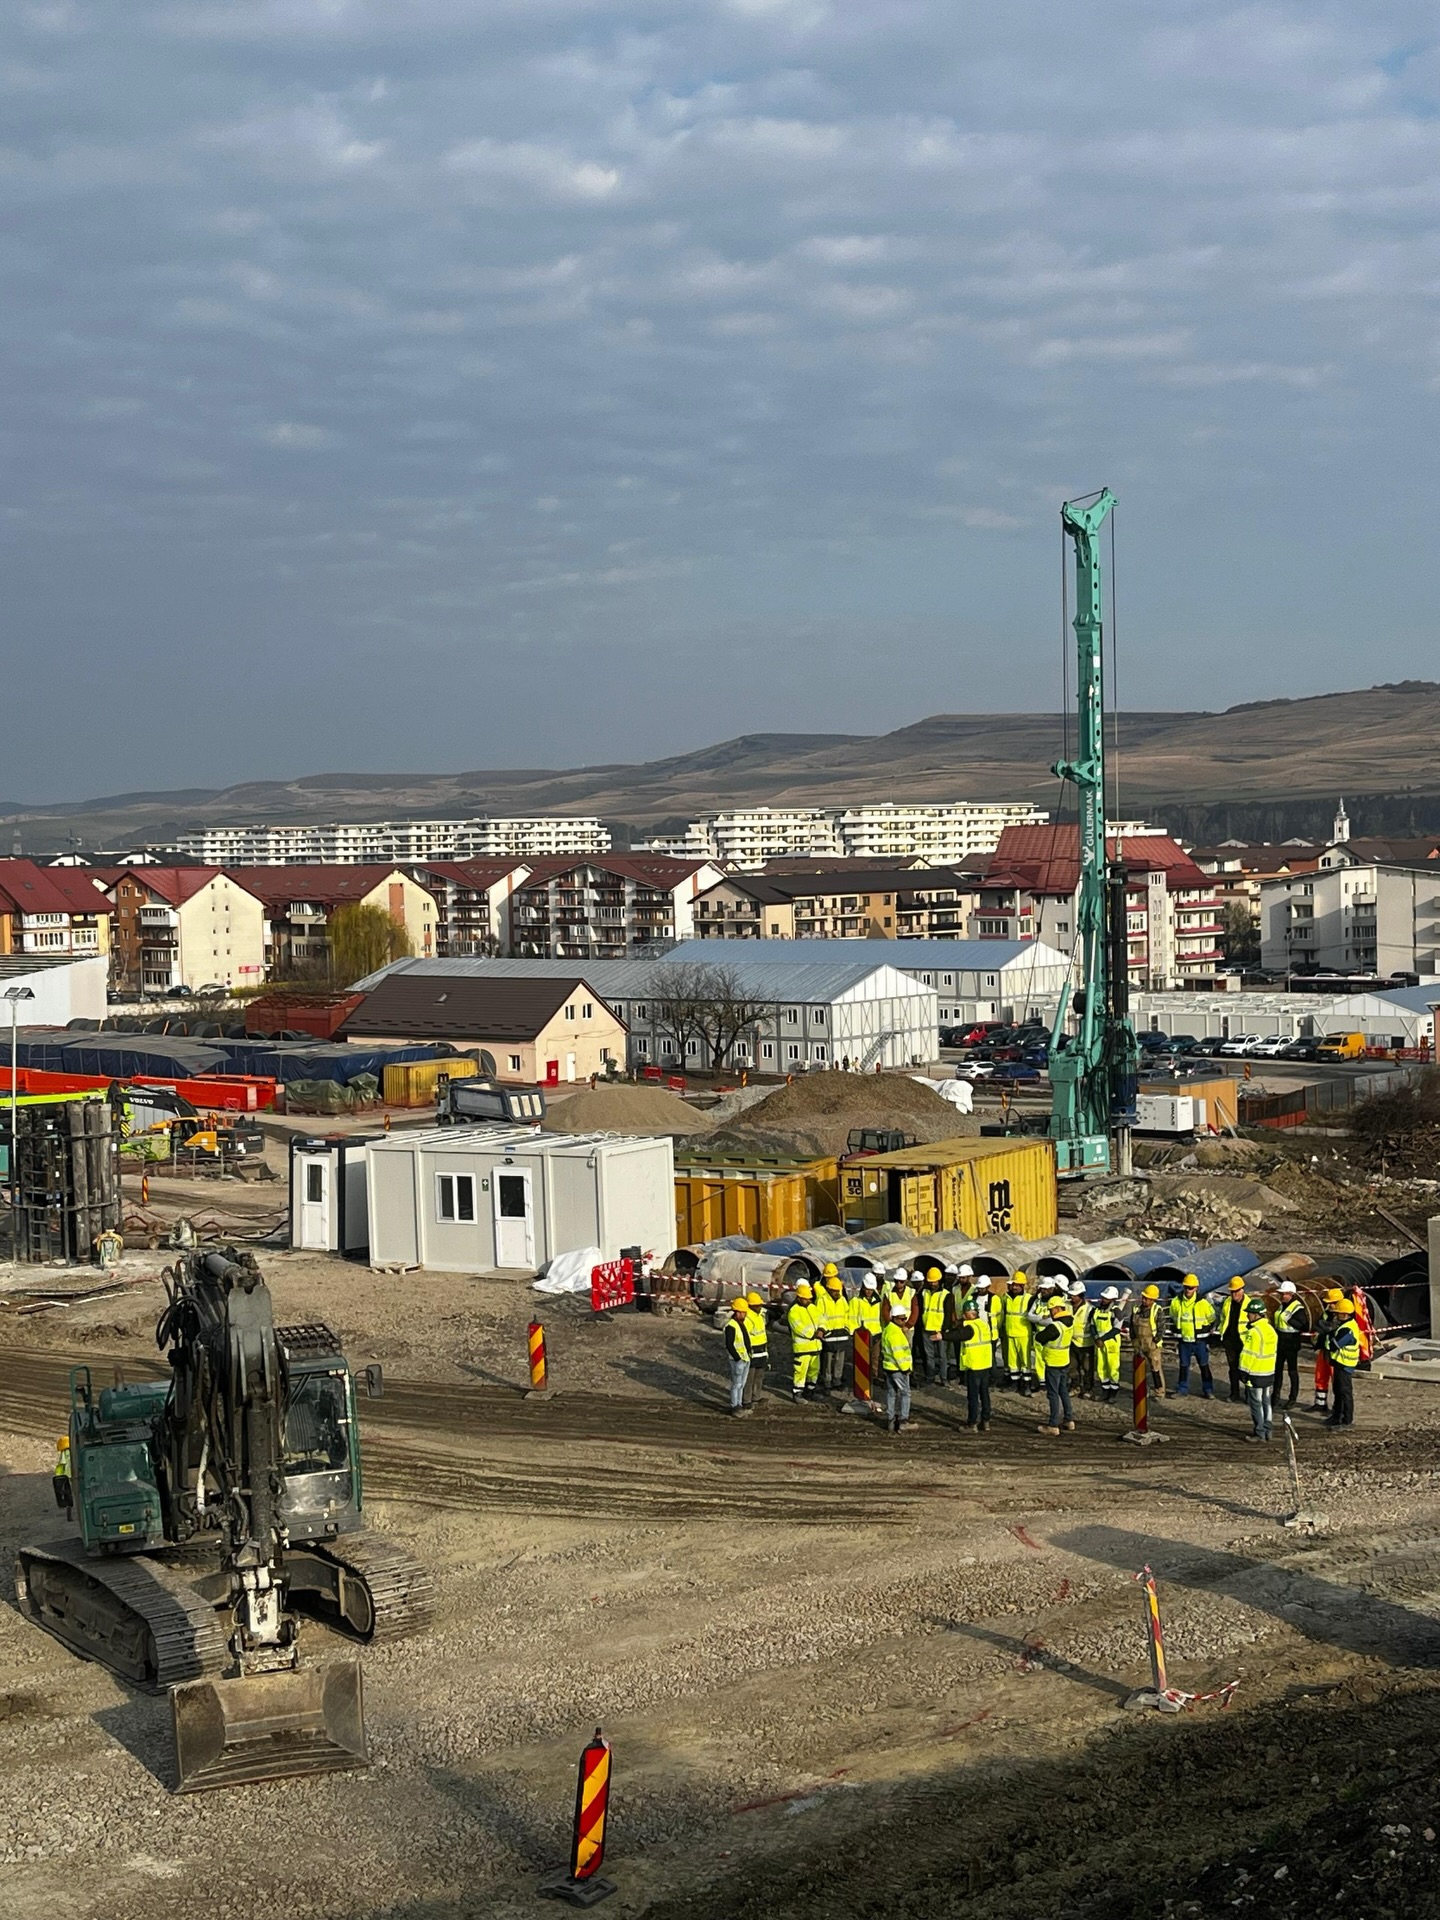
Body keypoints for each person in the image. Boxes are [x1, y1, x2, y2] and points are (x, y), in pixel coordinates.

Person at [1168, 1273, 1216, 1398]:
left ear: (1196, 1288)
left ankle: (1208, 1390)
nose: (1188, 1290)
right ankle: (1182, 1389)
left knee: (1204, 1366)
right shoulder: (1176, 1302)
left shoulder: (1203, 1303)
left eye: (1191, 1288)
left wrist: (1208, 1330)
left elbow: (1212, 1319)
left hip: (1200, 1341)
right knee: (1184, 1366)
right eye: (1186, 1287)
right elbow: (1173, 1317)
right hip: (1184, 1341)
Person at [1033, 1296, 1075, 1436]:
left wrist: (1039, 1334)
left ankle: (1053, 1425)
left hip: (1053, 1363)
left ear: (1057, 1309)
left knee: (1053, 1394)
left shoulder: (1055, 1326)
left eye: (1051, 1310)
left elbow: (1040, 1338)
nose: (1050, 1312)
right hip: (1064, 1361)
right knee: (1063, 1390)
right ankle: (1069, 1420)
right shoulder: (1070, 1322)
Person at [1239, 1294, 1278, 1442]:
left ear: (1255, 1314)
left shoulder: (1253, 1332)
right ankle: (1268, 1430)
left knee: (1255, 1404)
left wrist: (1243, 1372)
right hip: (1268, 1372)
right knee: (1266, 1402)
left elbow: (1248, 1354)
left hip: (1255, 1373)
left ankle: (1259, 1432)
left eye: (1249, 1313)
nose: (1247, 1315)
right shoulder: (1270, 1330)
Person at [1321, 1296, 1362, 1428]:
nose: (1336, 1315)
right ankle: (1336, 1416)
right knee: (1338, 1392)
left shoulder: (1347, 1329)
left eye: (1338, 1313)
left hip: (1344, 1365)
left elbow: (1333, 1345)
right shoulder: (1345, 1325)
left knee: (1344, 1393)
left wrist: (1327, 1337)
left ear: (1344, 1314)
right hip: (1340, 1364)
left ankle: (1346, 1420)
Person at [1271, 1280, 1310, 1410]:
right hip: (1280, 1342)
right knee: (1277, 1371)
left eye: (1284, 1294)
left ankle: (1292, 1398)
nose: (1282, 1296)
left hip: (1291, 1344)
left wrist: (1290, 1320)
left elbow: (1304, 1326)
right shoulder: (1282, 1306)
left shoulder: (1297, 1308)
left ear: (1291, 1294)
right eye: (1281, 1294)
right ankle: (1274, 1397)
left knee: (1292, 1372)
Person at [958, 1297, 994, 1431]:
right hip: (985, 1364)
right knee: (984, 1394)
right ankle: (986, 1421)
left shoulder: (970, 1327)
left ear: (968, 1313)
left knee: (973, 1396)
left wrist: (942, 1336)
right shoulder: (983, 1324)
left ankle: (972, 1423)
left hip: (974, 1366)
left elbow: (959, 1335)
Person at [879, 1301, 914, 1435]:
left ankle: (890, 1420)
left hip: (889, 1368)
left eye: (905, 1318)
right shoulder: (895, 1334)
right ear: (894, 1318)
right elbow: (898, 1354)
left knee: (891, 1394)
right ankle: (904, 1421)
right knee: (905, 1393)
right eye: (901, 1318)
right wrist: (906, 1368)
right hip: (898, 1369)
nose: (904, 1321)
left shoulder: (889, 1330)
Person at [1214, 1276, 1249, 1402]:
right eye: (1232, 1291)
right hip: (1230, 1340)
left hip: (1244, 1341)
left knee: (1245, 1369)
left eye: (1236, 1291)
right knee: (1233, 1369)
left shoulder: (1249, 1304)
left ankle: (1249, 1394)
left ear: (1242, 1290)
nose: (1234, 1294)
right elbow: (1224, 1318)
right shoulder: (1228, 1302)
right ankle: (1235, 1393)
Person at [787, 1281, 822, 1404]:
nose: (808, 1301)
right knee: (800, 1371)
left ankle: (810, 1391)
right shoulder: (793, 1311)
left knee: (814, 1370)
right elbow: (798, 1328)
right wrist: (814, 1334)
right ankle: (797, 1393)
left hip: (815, 1346)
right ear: (799, 1298)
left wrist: (822, 1329)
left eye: (809, 1299)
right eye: (806, 1299)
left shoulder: (813, 1308)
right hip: (802, 1348)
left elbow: (822, 1320)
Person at [817, 1268, 851, 1392]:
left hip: (841, 1334)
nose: (837, 1292)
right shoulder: (822, 1300)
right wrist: (824, 1330)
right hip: (829, 1335)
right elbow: (820, 1317)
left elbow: (847, 1315)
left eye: (838, 1290)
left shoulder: (842, 1300)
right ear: (829, 1289)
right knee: (827, 1361)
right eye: (835, 1290)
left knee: (839, 1360)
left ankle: (837, 1380)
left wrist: (847, 1329)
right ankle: (827, 1381)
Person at [1132, 1284, 1167, 1398]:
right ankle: (1141, 1391)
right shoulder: (1136, 1309)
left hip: (1152, 1345)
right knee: (1139, 1370)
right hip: (1139, 1344)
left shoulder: (1157, 1310)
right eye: (1143, 1297)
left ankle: (1159, 1391)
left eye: (1147, 1298)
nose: (1144, 1300)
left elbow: (1161, 1328)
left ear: (1153, 1300)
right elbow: (1132, 1327)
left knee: (1156, 1369)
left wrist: (1156, 1341)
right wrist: (1133, 1340)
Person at [1091, 1286, 1124, 1401]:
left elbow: (1117, 1329)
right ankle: (1105, 1391)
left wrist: (1102, 1339)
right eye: (1103, 1297)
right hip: (1099, 1344)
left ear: (1113, 1299)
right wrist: (1096, 1338)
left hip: (1111, 1345)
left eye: (1106, 1298)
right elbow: (1092, 1325)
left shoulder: (1116, 1312)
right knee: (1101, 1368)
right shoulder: (1096, 1310)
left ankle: (1113, 1393)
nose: (1103, 1299)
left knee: (1113, 1368)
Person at [1002, 1272, 1033, 1393]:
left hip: (1023, 1333)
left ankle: (1026, 1384)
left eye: (1017, 1285)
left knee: (1025, 1360)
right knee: (1012, 1360)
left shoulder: (1028, 1299)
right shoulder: (1006, 1297)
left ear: (1023, 1286)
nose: (1015, 1287)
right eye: (1013, 1284)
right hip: (1010, 1332)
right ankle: (1014, 1383)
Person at [919, 1268, 949, 1385]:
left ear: (939, 1281)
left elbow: (947, 1313)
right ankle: (930, 1377)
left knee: (942, 1356)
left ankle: (944, 1378)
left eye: (934, 1281)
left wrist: (944, 1330)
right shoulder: (924, 1292)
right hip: (927, 1329)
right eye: (931, 1281)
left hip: (939, 1330)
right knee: (929, 1355)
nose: (932, 1284)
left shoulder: (945, 1294)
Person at [740, 1290, 769, 1408]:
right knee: (749, 1377)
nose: (759, 1306)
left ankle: (756, 1397)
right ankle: (746, 1400)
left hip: (761, 1349)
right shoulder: (747, 1318)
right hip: (752, 1350)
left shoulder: (760, 1315)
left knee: (759, 1376)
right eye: (757, 1305)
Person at [724, 1298, 751, 1415]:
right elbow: (729, 1345)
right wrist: (737, 1358)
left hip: (744, 1359)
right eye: (743, 1312)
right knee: (737, 1384)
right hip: (738, 1360)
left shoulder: (740, 1324)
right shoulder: (731, 1326)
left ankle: (739, 1404)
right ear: (737, 1312)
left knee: (741, 1384)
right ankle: (735, 1406)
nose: (744, 1314)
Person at [1069, 1280, 1095, 1398]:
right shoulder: (1067, 1306)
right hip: (1071, 1342)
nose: (1071, 1297)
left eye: (1074, 1295)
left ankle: (1088, 1389)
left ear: (1081, 1295)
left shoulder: (1090, 1309)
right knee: (1072, 1367)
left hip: (1086, 1344)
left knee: (1087, 1368)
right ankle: (1075, 1387)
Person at [882, 1266, 918, 1350]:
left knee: (906, 1351)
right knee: (892, 1350)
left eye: (901, 1281)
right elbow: (885, 1312)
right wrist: (891, 1325)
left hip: (907, 1328)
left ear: (905, 1281)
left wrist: (908, 1326)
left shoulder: (911, 1292)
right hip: (893, 1328)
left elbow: (915, 1312)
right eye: (896, 1281)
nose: (898, 1283)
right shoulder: (889, 1294)